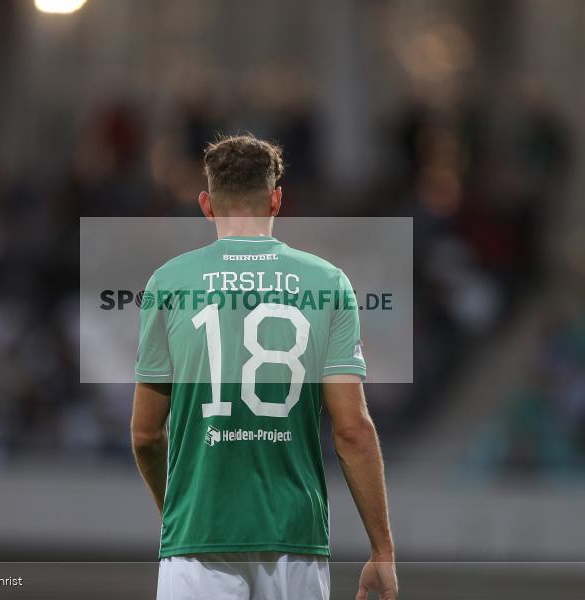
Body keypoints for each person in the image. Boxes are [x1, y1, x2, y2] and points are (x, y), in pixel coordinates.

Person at [131, 134, 398, 599]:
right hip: (294, 540)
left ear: (206, 204)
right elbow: (353, 429)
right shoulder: (328, 282)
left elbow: (145, 435)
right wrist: (382, 551)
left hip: (199, 535)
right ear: (276, 200)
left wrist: (177, 510)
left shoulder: (168, 283)